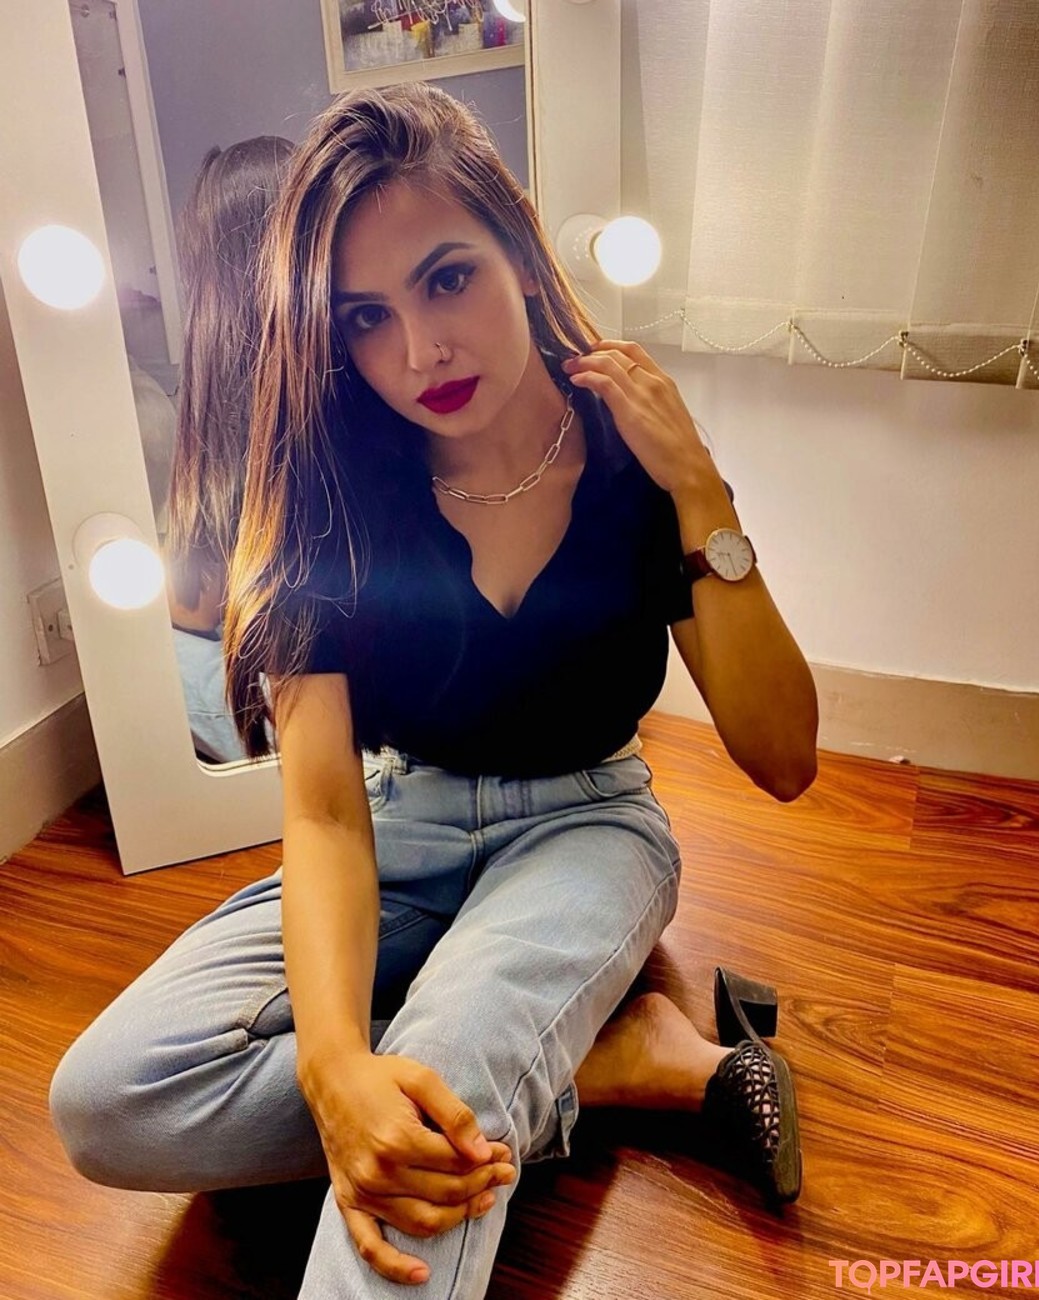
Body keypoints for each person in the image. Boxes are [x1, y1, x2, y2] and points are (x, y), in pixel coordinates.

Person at [50, 83, 819, 1297]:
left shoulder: (629, 450)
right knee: (110, 1099)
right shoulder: (325, 482)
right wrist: (334, 1069)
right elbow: (321, 814)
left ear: (517, 250)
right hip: (394, 826)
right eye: (367, 316)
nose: (421, 353)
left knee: (447, 1066)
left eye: (447, 279)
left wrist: (701, 490)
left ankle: (486, 1061)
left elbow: (784, 757)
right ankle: (600, 1063)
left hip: (588, 822)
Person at [165, 135, 295, 762]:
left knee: (154, 658)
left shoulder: (214, 399)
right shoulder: (365, 350)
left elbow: (190, 611)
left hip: (334, 707)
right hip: (364, 698)